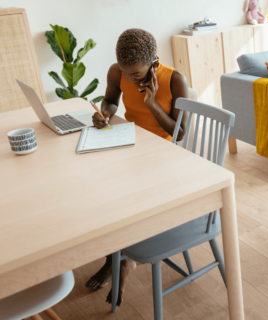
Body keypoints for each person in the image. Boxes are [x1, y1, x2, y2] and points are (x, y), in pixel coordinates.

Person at [86, 28, 189, 305]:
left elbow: (180, 133)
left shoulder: (175, 80)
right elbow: (110, 101)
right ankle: (116, 256)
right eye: (125, 73)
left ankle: (122, 260)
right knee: (99, 190)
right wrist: (103, 115)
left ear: (153, 61)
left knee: (121, 195)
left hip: (164, 158)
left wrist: (152, 104)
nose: (129, 79)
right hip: (131, 146)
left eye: (136, 75)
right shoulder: (117, 72)